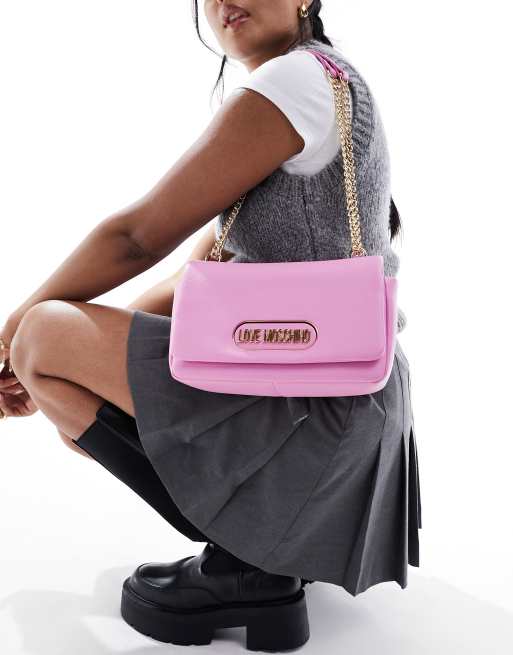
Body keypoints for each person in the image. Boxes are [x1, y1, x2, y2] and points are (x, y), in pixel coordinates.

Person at [0, 0, 422, 650]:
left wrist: (15, 337)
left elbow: (137, 237)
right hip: (347, 416)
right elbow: (194, 275)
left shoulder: (294, 82)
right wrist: (75, 363)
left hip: (319, 418)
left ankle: (249, 563)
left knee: (42, 334)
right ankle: (270, 548)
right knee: (60, 361)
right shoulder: (323, 81)